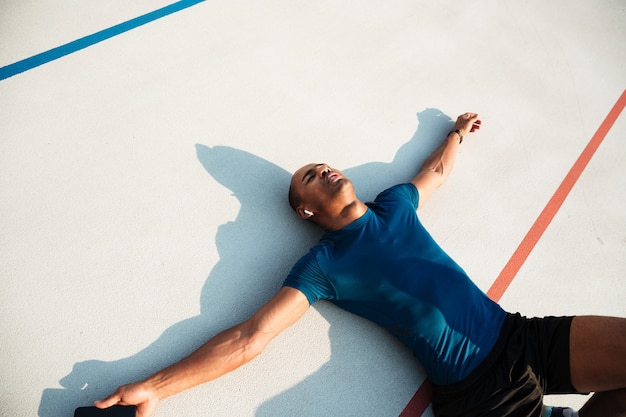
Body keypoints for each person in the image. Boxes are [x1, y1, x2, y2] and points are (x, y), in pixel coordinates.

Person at [95, 113, 626, 417]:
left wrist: (457, 133)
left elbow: (436, 172)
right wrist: (154, 388)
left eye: (323, 164)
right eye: (309, 175)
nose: (323, 169)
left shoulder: (394, 203)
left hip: (519, 335)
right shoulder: (323, 265)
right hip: (478, 392)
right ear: (306, 209)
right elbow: (250, 338)